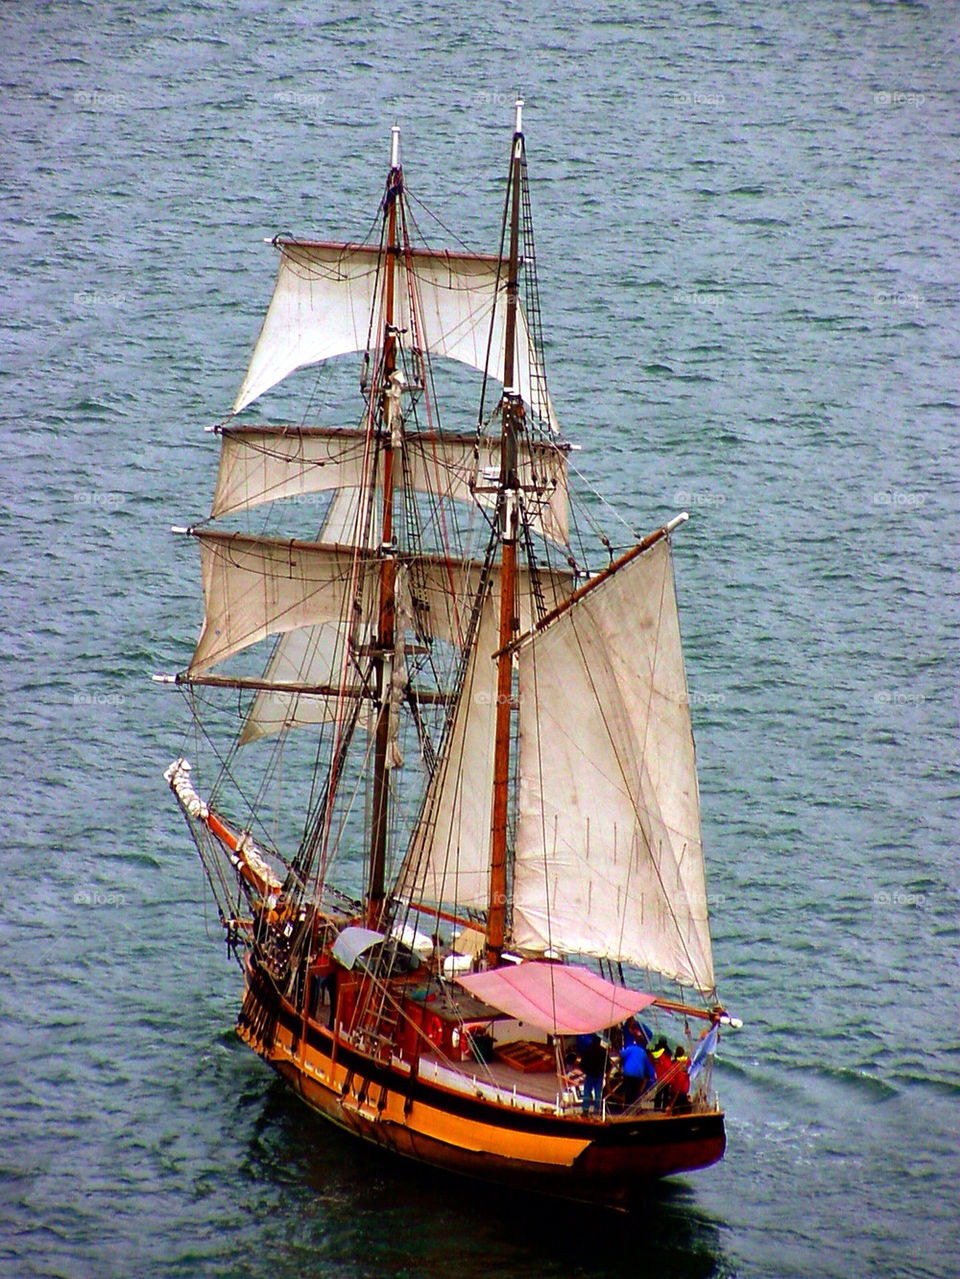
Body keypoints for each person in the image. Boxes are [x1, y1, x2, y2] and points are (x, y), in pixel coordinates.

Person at [620, 1035, 656, 1106]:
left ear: (635, 1042)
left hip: (628, 1073)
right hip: (638, 1075)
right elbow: (647, 1067)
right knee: (635, 1094)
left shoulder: (631, 1048)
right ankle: (633, 1110)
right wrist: (649, 1076)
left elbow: (621, 1054)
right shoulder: (644, 1054)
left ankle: (626, 1109)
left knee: (628, 1093)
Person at [579, 1033, 607, 1117]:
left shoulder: (588, 1050)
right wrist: (605, 1072)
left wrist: (585, 1071)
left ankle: (585, 1110)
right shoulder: (603, 1051)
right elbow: (607, 1064)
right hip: (599, 1075)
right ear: (599, 1042)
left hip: (590, 1074)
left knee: (587, 1092)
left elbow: (582, 1063)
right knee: (598, 1093)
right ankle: (596, 1111)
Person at [651, 1036, 673, 1110]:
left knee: (659, 1092)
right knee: (665, 1093)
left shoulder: (657, 1051)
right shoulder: (668, 1052)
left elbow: (653, 1059)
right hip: (667, 1075)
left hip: (660, 1074)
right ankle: (664, 1108)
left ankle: (657, 1107)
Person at [672, 1044, 691, 1112]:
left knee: (675, 1106)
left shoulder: (674, 1063)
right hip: (684, 1088)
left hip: (676, 1089)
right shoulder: (687, 1062)